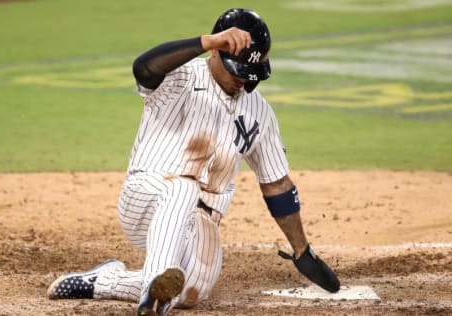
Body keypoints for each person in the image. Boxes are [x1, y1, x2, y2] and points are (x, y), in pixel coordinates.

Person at [47, 8, 340, 316]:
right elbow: (143, 68)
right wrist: (205, 40)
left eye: (248, 74)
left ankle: (106, 281)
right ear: (216, 51)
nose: (241, 79)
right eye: (236, 69)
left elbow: (276, 183)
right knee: (183, 190)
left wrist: (301, 248)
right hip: (148, 197)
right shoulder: (180, 77)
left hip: (201, 221)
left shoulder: (260, 113)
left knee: (192, 289)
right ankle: (153, 295)